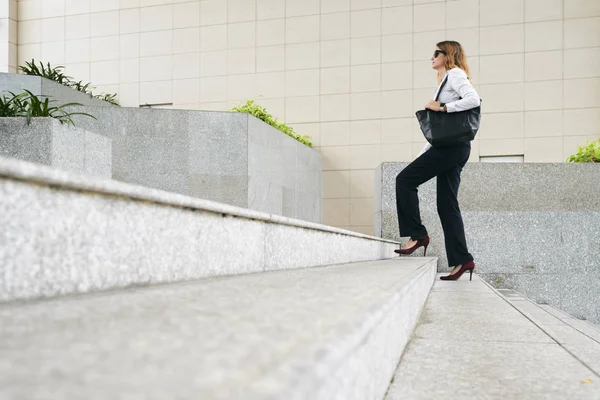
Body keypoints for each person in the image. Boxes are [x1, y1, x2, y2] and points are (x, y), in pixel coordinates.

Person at [394, 41, 480, 281]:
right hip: (454, 147)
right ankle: (463, 260)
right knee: (446, 204)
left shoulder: (455, 74)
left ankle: (418, 234)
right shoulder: (445, 81)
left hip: (452, 148)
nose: (432, 57)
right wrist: (422, 155)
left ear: (448, 55)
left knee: (405, 180)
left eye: (436, 53)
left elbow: (473, 100)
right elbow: (439, 134)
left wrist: (442, 107)